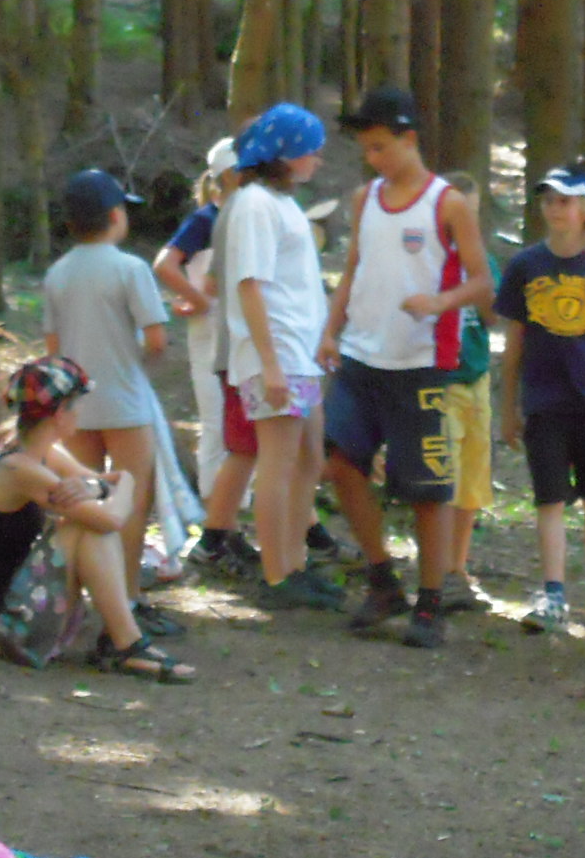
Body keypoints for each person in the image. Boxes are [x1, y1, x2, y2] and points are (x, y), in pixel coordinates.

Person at [320, 88, 494, 650]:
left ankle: (432, 600)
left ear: (409, 138)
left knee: (426, 487)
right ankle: (381, 578)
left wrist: (441, 302)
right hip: (360, 355)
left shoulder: (447, 203)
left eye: (380, 147)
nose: (373, 158)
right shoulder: (364, 199)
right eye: (366, 149)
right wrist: (330, 330)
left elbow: (482, 281)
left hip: (420, 362)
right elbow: (352, 269)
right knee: (340, 460)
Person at [0, 357, 192, 681]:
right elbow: (112, 519)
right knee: (87, 527)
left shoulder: (31, 449)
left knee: (87, 523)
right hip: (0, 627)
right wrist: (127, 480)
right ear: (60, 413)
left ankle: (124, 642)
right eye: (76, 406)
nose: (80, 414)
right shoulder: (19, 468)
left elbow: (100, 484)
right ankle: (126, 645)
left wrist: (98, 486)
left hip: (16, 607)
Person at [42, 168, 182, 644]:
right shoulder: (130, 269)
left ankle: (74, 602)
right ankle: (127, 602)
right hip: (125, 401)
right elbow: (157, 339)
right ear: (116, 216)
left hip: (75, 409)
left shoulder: (57, 274)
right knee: (130, 503)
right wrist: (137, 362)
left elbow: (53, 350)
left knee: (81, 503)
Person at [495, 164, 585, 634]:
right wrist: (508, 407)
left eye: (565, 200)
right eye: (548, 200)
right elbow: (514, 344)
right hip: (544, 401)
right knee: (549, 498)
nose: (555, 209)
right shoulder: (524, 266)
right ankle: (553, 592)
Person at [224, 103, 342, 609]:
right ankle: (276, 574)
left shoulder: (283, 203)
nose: (317, 158)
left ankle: (295, 561)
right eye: (310, 149)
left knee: (309, 457)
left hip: (300, 354)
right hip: (276, 355)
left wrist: (323, 338)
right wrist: (269, 363)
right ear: (286, 153)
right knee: (278, 460)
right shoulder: (254, 204)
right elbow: (250, 284)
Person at [155, 138, 262, 581]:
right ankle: (216, 527)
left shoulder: (249, 217)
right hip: (211, 331)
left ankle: (230, 522)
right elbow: (165, 264)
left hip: (242, 333)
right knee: (217, 422)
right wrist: (198, 299)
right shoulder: (206, 219)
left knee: (242, 423)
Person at [437, 171, 495, 616]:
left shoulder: (484, 262)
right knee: (444, 480)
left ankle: (457, 568)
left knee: (472, 484)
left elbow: (494, 317)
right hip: (442, 384)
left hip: (477, 381)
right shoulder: (430, 261)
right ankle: (436, 571)